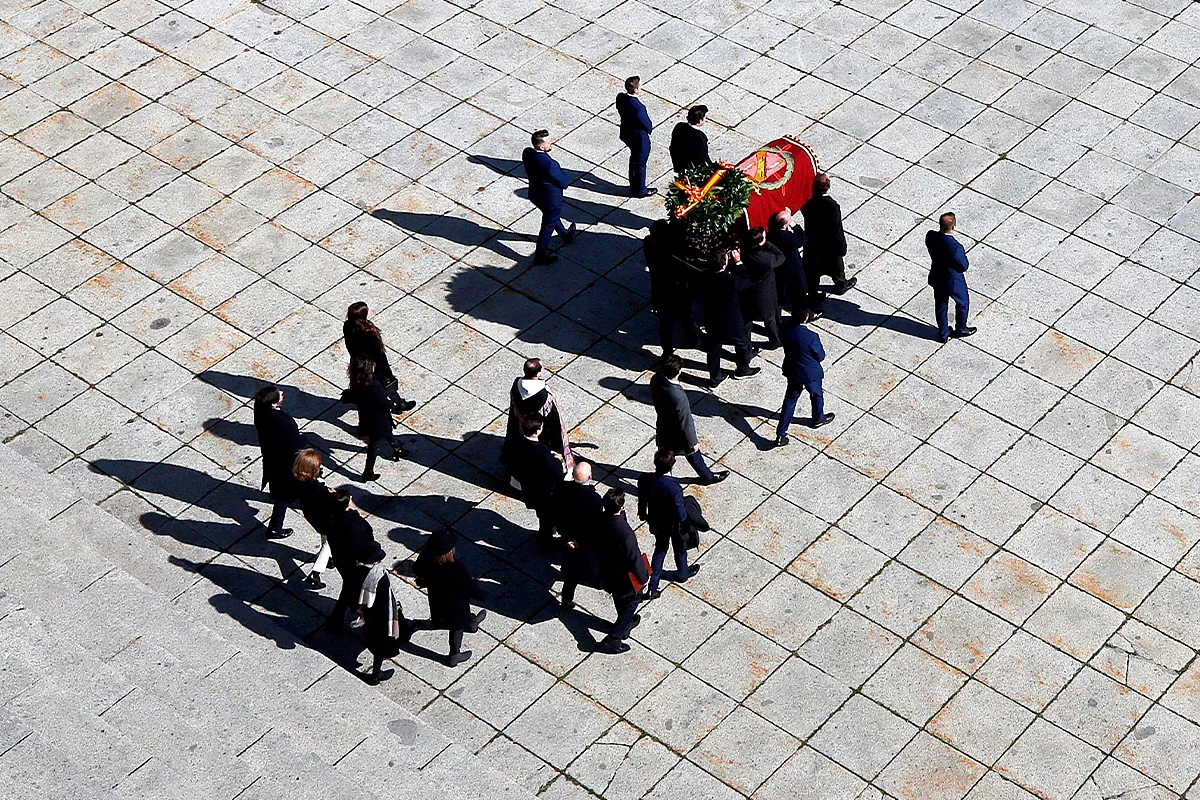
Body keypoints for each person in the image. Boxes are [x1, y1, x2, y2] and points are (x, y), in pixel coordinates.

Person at [650, 355, 729, 485]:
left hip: (663, 424)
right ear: (678, 371)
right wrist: (693, 442)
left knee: (664, 454)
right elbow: (685, 421)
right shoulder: (678, 396)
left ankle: (662, 476)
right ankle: (707, 476)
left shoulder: (656, 379)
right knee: (692, 452)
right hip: (677, 431)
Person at [413, 530, 488, 667]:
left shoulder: (426, 557)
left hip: (437, 599)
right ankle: (454, 655)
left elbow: (417, 570)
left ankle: (471, 624)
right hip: (455, 605)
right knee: (457, 627)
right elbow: (469, 587)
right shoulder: (456, 568)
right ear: (449, 551)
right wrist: (483, 596)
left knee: (445, 618)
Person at [594, 488, 648, 654]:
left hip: (608, 569)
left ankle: (625, 624)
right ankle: (615, 636)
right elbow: (634, 557)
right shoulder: (625, 533)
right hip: (624, 574)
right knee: (634, 599)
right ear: (621, 507)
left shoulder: (602, 519)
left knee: (619, 597)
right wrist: (643, 577)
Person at [637, 450, 697, 599]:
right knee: (679, 548)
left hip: (657, 522)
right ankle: (683, 574)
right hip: (674, 525)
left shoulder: (646, 479)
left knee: (660, 550)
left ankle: (653, 587)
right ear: (672, 465)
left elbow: (642, 498)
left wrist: (642, 512)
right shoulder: (674, 487)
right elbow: (680, 510)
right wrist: (685, 524)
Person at [500, 358, 573, 475]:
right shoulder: (543, 395)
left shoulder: (517, 384)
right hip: (540, 429)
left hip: (522, 427)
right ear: (539, 373)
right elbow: (554, 420)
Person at [343, 302, 416, 414]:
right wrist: (387, 372)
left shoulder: (347, 326)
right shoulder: (368, 334)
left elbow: (349, 346)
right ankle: (399, 404)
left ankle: (356, 397)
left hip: (358, 362)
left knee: (361, 384)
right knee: (385, 384)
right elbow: (379, 356)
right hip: (372, 365)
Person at [775, 311, 835, 446]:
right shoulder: (811, 337)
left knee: (790, 401)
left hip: (793, 371)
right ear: (806, 318)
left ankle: (781, 433)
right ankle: (818, 418)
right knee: (816, 394)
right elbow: (820, 356)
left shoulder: (785, 330)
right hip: (809, 373)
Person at [700, 252, 760, 387]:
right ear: (724, 264)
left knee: (714, 348)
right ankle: (743, 369)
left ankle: (715, 378)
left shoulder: (704, 276)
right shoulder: (731, 281)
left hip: (712, 319)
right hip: (731, 321)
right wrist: (738, 263)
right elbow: (747, 280)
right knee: (743, 344)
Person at [252, 384, 304, 540]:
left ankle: (276, 493)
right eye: (278, 394)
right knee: (284, 496)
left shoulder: (261, 412)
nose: (282, 393)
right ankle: (275, 527)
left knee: (278, 485)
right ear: (273, 404)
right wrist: (305, 438)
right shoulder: (280, 420)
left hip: (272, 458)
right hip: (285, 463)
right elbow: (296, 443)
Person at [358, 540, 412, 684]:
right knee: (381, 647)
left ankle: (376, 672)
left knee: (376, 643)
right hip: (381, 619)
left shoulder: (360, 571)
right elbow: (385, 602)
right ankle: (376, 675)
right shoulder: (379, 576)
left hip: (369, 616)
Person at [509, 415, 565, 549]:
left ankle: (545, 536)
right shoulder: (541, 451)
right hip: (544, 493)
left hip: (530, 489)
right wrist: (559, 460)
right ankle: (545, 544)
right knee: (547, 519)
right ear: (537, 431)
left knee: (543, 516)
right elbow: (557, 474)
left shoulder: (518, 442)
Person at [344, 356, 404, 482]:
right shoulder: (374, 385)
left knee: (388, 435)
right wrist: (393, 406)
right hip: (378, 421)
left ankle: (398, 449)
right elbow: (384, 403)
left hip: (369, 418)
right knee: (374, 445)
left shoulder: (357, 383)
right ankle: (368, 472)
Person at [644, 220, 698, 357]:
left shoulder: (649, 243)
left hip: (661, 291)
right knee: (685, 317)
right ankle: (693, 339)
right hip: (677, 291)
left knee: (666, 324)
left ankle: (667, 350)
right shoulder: (673, 251)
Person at [554, 462, 604, 610]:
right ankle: (599, 583)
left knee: (571, 574)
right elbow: (594, 527)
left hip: (571, 540)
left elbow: (558, 515)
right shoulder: (594, 499)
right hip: (586, 543)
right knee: (596, 565)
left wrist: (567, 538)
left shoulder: (563, 489)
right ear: (590, 476)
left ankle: (566, 600)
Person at [522, 129, 576, 266]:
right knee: (547, 226)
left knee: (550, 216)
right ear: (541, 147)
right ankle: (540, 255)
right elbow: (563, 183)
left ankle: (564, 234)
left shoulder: (527, 153)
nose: (551, 143)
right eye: (548, 142)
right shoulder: (549, 164)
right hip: (550, 199)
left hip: (535, 194)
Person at [801, 173, 856, 306]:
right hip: (829, 246)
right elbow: (837, 230)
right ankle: (841, 285)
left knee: (812, 272)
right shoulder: (832, 207)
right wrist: (842, 247)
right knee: (837, 268)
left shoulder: (807, 201)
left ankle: (813, 295)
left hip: (812, 243)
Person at [926, 212, 976, 343]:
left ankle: (943, 333)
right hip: (953, 281)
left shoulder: (930, 236)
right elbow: (963, 266)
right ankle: (960, 328)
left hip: (937, 277)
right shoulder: (956, 247)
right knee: (963, 302)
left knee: (941, 304)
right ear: (953, 226)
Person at [292, 448, 338, 590]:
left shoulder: (299, 480)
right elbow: (329, 501)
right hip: (323, 515)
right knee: (329, 543)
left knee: (325, 537)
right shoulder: (316, 488)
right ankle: (315, 573)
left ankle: (328, 560)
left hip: (312, 514)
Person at [767, 208, 819, 320]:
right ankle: (805, 314)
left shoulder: (770, 235)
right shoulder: (788, 238)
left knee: (781, 294)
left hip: (779, 269)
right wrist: (794, 225)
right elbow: (804, 238)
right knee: (800, 293)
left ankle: (778, 319)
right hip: (793, 268)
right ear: (785, 225)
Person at [738, 226, 785, 350]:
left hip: (747, 291)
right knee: (770, 319)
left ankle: (747, 345)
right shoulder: (767, 259)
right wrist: (767, 243)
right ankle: (774, 340)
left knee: (746, 321)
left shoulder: (744, 252)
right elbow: (780, 256)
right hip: (764, 293)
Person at [615, 76, 656, 199]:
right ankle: (641, 190)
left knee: (633, 159)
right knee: (640, 164)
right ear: (636, 90)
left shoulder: (621, 98)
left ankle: (633, 186)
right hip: (639, 137)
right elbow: (647, 125)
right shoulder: (639, 107)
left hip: (627, 133)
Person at [669, 105, 710, 174]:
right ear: (700, 120)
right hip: (692, 171)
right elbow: (702, 159)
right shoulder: (700, 138)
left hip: (680, 165)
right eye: (705, 117)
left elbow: (673, 147)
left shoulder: (679, 127)